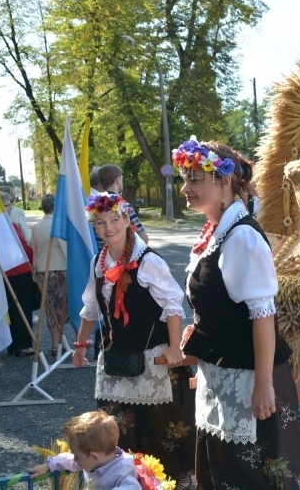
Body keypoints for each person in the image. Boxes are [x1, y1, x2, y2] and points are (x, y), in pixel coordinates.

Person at [175, 137, 300, 489]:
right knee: (227, 469)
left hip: (250, 378)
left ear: (224, 182)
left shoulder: (242, 238)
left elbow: (263, 315)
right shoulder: (216, 232)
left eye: (194, 179)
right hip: (223, 373)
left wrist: (264, 386)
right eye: (184, 178)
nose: (185, 188)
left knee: (260, 474)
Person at [71, 192, 195, 490]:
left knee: (161, 425)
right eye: (100, 223)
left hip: (153, 358)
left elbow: (173, 305)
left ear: (127, 220)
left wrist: (176, 347)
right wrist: (80, 345)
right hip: (116, 357)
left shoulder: (148, 260)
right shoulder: (98, 263)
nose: (108, 228)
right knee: (117, 428)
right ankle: (126, 482)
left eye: (114, 219)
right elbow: (90, 308)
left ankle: (173, 482)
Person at [29, 410, 142, 490]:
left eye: (76, 456)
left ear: (94, 456)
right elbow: (70, 460)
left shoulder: (123, 470)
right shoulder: (95, 460)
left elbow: (133, 487)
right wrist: (49, 466)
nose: (74, 459)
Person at [0, 191, 40, 357]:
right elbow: (22, 248)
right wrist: (35, 258)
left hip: (15, 271)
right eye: (7, 205)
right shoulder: (4, 226)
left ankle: (14, 343)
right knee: (21, 308)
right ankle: (22, 345)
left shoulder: (10, 224)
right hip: (17, 271)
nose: (11, 208)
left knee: (14, 308)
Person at [31, 194, 68, 357]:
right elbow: (65, 249)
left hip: (41, 271)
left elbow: (34, 250)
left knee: (50, 308)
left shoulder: (36, 226)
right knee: (62, 307)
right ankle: (60, 342)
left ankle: (55, 343)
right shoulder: (58, 225)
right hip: (59, 269)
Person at [97, 164, 150, 244]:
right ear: (118, 180)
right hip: (121, 255)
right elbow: (143, 238)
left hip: (101, 255)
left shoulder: (94, 207)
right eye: (122, 178)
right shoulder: (122, 205)